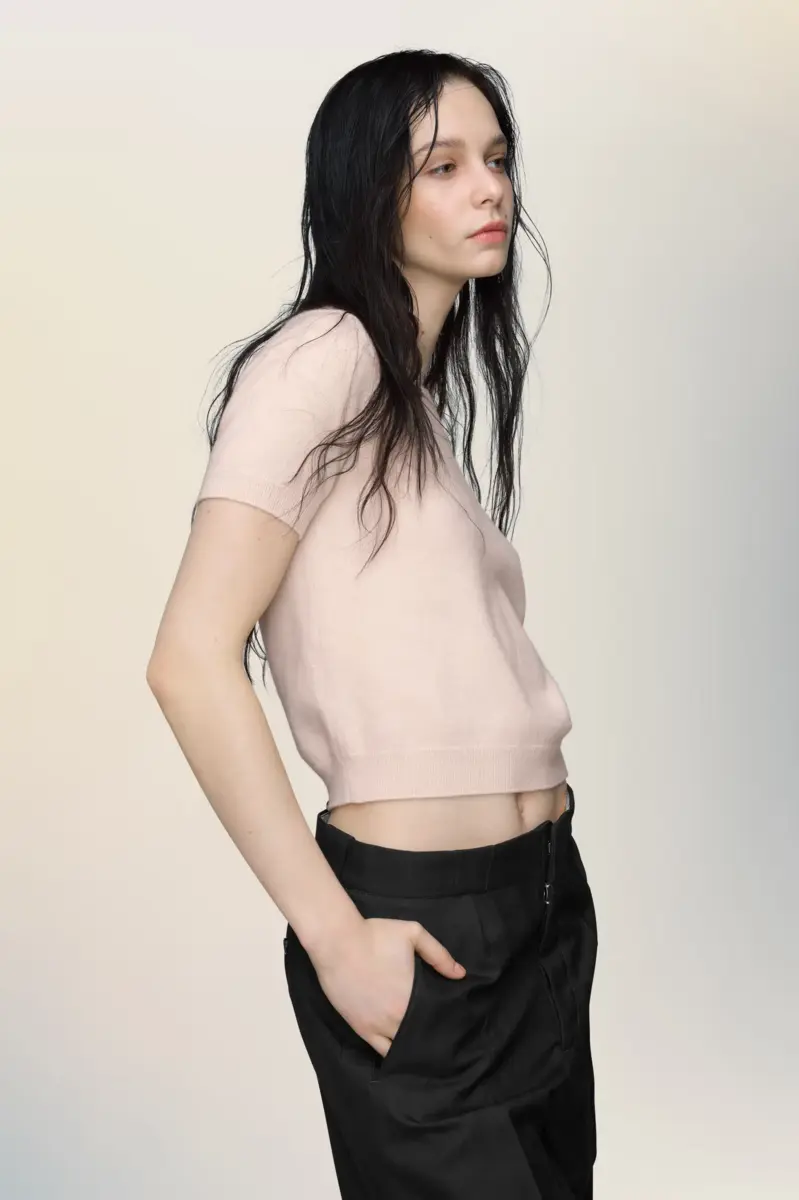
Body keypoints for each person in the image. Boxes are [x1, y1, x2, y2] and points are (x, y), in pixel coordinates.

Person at [147, 48, 598, 1200]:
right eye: (443, 166)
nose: (490, 188)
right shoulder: (324, 356)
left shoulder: (415, 403)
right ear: (366, 190)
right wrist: (336, 938)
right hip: (425, 923)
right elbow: (189, 659)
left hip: (541, 907)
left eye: (496, 158)